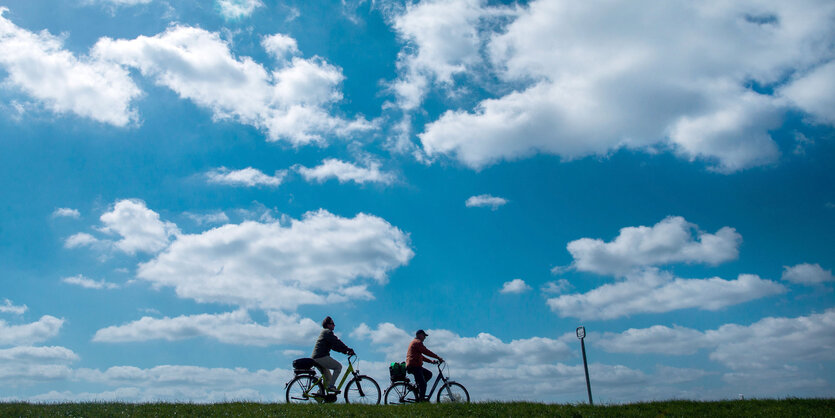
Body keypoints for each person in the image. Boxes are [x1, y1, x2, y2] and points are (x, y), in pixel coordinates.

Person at [311, 316, 354, 393]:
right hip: (320, 357)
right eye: (332, 324)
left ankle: (320, 397)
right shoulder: (327, 332)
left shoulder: (325, 333)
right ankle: (331, 387)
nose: (334, 325)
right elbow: (336, 341)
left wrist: (345, 351)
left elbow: (334, 347)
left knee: (328, 380)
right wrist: (348, 349)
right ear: (328, 325)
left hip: (317, 358)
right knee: (338, 367)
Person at [406, 329, 443, 402]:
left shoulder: (415, 343)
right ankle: (421, 400)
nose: (425, 338)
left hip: (414, 365)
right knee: (423, 384)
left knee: (429, 374)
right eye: (424, 336)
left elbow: (421, 357)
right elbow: (426, 351)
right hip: (414, 366)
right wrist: (438, 357)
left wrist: (431, 361)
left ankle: (417, 387)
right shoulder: (417, 343)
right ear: (419, 335)